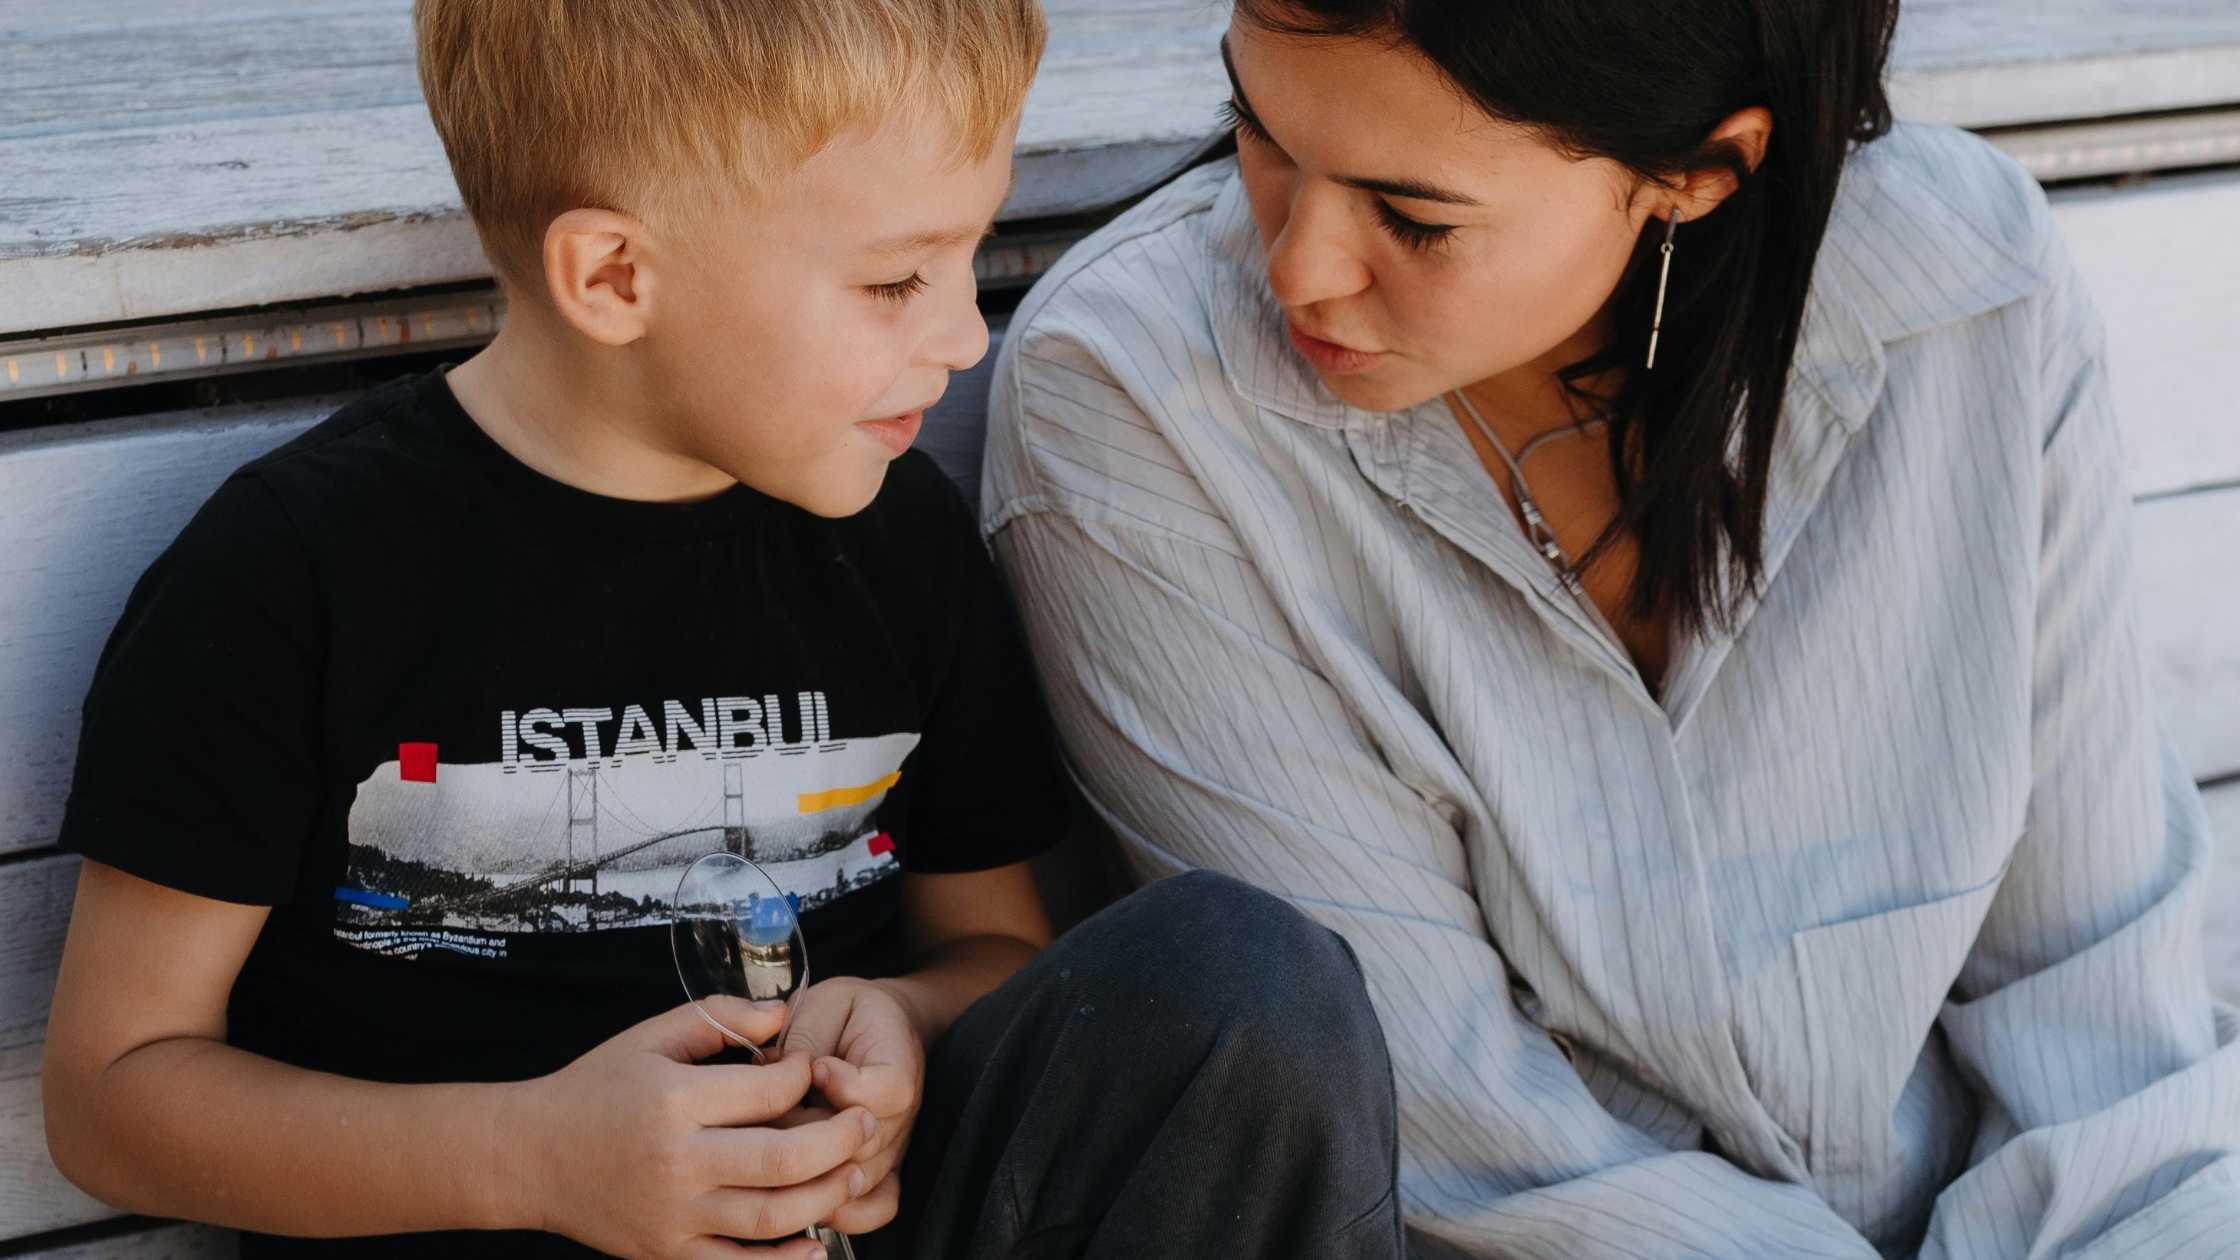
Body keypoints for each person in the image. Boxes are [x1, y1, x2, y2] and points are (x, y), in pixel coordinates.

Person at [39, 3, 1404, 1258]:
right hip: (477, 1217)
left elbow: (993, 952)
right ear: (618, 276)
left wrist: (910, 1032)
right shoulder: (299, 575)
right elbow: (113, 1096)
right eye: (893, 283)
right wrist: (530, 1161)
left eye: (967, 259)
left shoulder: (895, 545)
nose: (965, 339)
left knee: (1244, 973)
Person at [984, 0, 2240, 1256]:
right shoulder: (1135, 397)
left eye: (1412, 217)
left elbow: (2095, 1008)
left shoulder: (1956, 287)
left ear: (1696, 174)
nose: (1297, 267)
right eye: (1253, 128)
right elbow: (1465, 1131)